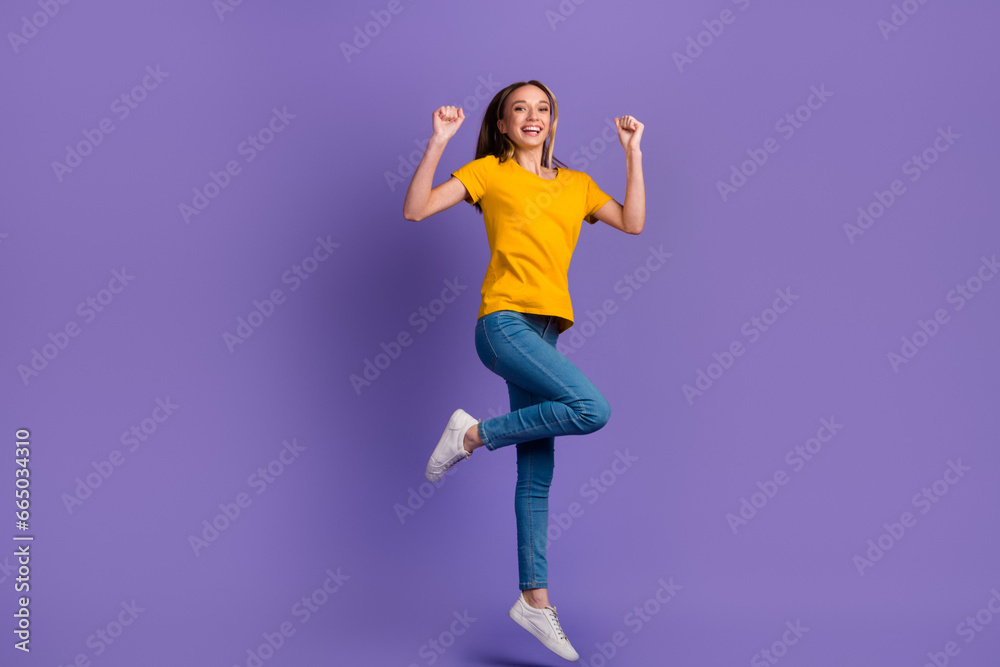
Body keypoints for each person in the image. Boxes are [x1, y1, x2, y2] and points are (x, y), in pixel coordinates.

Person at [402, 79, 645, 662]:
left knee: (536, 475)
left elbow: (633, 223)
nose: (532, 117)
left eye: (542, 109)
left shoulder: (577, 184)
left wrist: (633, 154)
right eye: (520, 110)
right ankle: (472, 434)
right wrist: (438, 141)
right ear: (505, 124)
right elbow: (415, 210)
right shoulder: (487, 172)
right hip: (503, 324)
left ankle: (533, 601)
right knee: (591, 409)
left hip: (544, 333)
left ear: (552, 122)